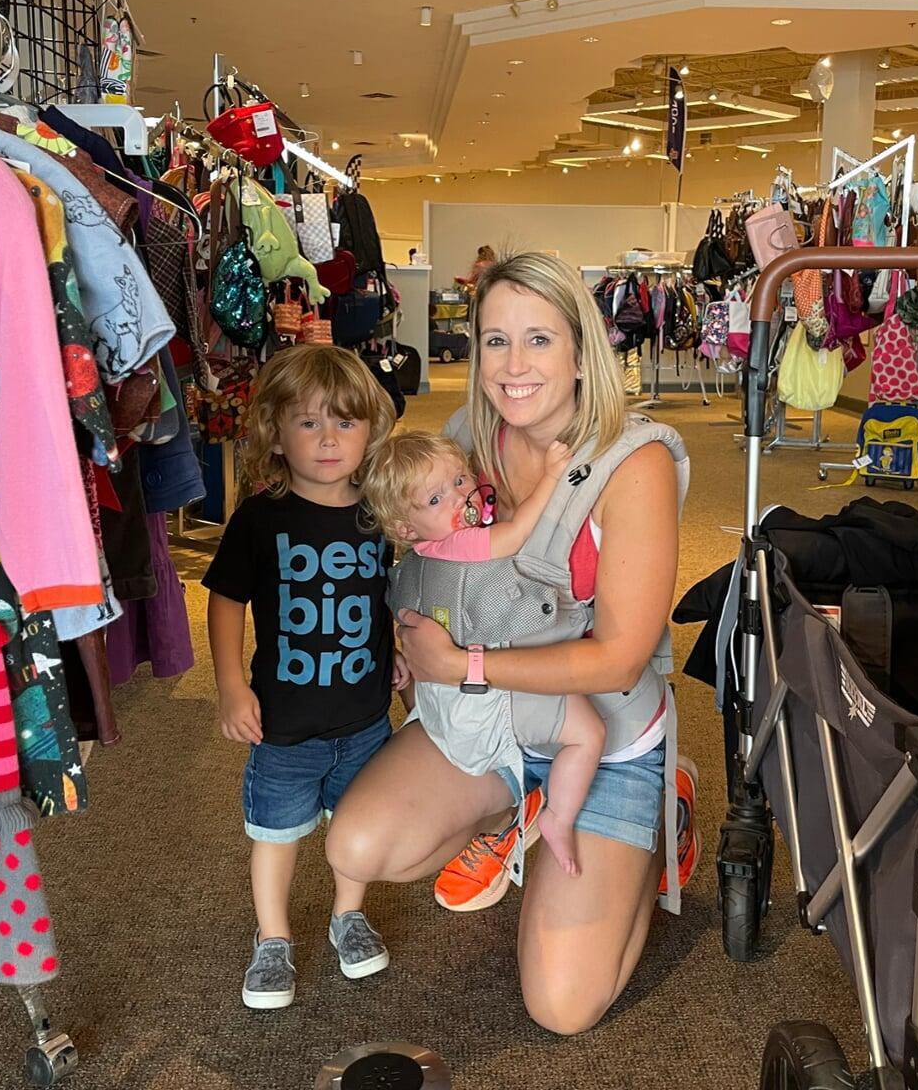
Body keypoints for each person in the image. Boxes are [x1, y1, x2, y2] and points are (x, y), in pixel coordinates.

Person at [328, 252, 697, 1035]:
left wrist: (463, 664)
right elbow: (429, 564)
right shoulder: (463, 441)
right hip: (491, 723)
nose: (514, 365)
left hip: (603, 729)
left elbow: (619, 657)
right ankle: (514, 812)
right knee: (361, 846)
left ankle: (665, 810)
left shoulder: (636, 463)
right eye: (495, 341)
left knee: (562, 1006)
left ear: (578, 350)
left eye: (538, 340)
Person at [202, 345, 406, 1011]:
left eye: (344, 423)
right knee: (276, 834)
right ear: (275, 432)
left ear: (371, 432)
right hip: (283, 725)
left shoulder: (380, 514)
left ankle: (348, 915)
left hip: (365, 718)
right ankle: (273, 938)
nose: (327, 440)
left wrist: (401, 646)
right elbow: (226, 601)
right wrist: (231, 685)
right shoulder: (261, 518)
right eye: (308, 422)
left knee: (356, 831)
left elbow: (390, 593)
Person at [360, 430, 605, 876]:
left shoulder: (413, 564)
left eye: (459, 480)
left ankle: (514, 811)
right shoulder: (460, 545)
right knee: (587, 733)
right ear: (405, 528)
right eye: (435, 499)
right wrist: (551, 475)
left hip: (445, 712)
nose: (458, 498)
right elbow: (514, 534)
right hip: (495, 705)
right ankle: (556, 815)